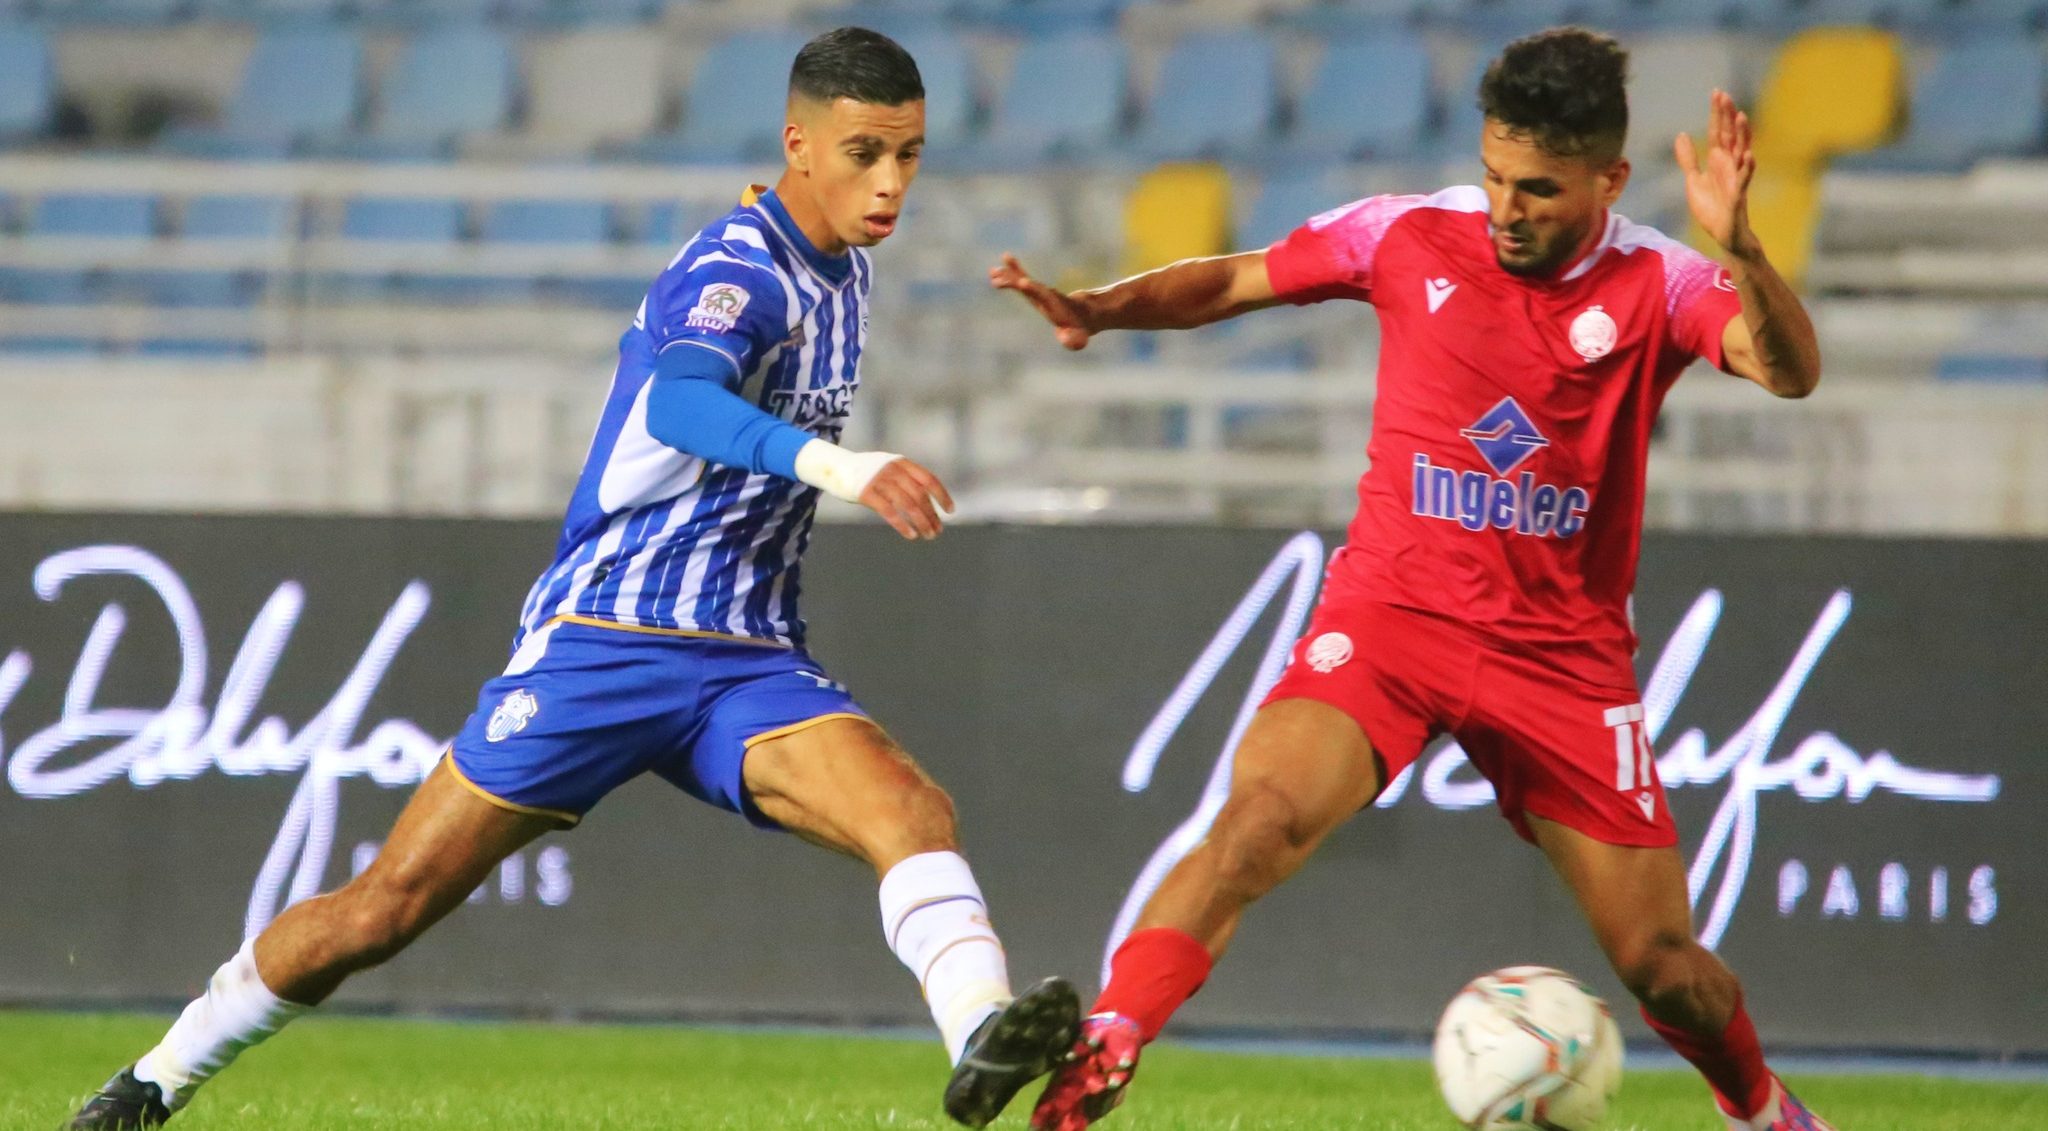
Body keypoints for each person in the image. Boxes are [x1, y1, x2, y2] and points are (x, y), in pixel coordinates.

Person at [68, 28, 1078, 1131]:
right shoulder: (735, 271)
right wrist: (842, 464)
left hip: (745, 659)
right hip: (607, 640)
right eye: (864, 152)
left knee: (909, 809)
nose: (889, 183)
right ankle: (152, 1081)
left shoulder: (848, 271)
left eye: (910, 156)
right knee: (383, 910)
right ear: (798, 142)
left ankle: (981, 1030)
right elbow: (677, 405)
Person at [994, 28, 1831, 1131]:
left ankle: (1763, 1111)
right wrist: (1103, 308)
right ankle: (1105, 1046)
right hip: (1391, 616)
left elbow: (1786, 372)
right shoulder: (1407, 233)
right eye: (1494, 176)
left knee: (1661, 963)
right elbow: (1237, 278)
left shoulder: (1657, 282)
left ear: (1606, 180)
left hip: (1559, 659)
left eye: (1537, 189)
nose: (1506, 207)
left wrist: (1745, 254)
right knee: (1255, 822)